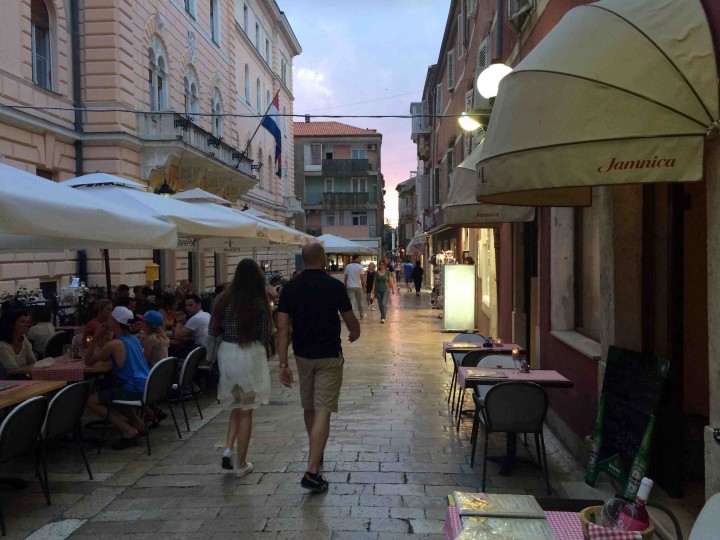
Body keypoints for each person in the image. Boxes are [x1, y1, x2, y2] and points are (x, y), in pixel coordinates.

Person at [276, 242, 360, 492]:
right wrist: (355, 331)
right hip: (329, 355)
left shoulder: (290, 288)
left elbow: (282, 328)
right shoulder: (334, 286)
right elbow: (348, 317)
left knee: (309, 406)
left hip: (302, 356)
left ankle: (316, 450)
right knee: (323, 409)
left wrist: (283, 363)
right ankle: (312, 471)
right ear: (322, 258)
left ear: (302, 260)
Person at [209, 259, 272, 478]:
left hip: (228, 353)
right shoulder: (259, 302)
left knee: (237, 405)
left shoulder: (222, 299)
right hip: (250, 354)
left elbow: (212, 329)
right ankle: (242, 463)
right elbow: (265, 335)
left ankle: (228, 449)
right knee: (246, 410)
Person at [84, 307, 149, 450]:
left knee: (90, 401)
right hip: (146, 385)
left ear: (115, 322)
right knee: (115, 396)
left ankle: (128, 430)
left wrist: (95, 337)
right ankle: (138, 424)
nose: (107, 320)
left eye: (110, 318)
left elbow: (88, 361)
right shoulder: (134, 339)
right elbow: (106, 353)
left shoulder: (115, 344)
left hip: (132, 388)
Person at [136, 309, 169, 427]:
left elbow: (143, 361)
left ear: (149, 325)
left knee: (132, 385)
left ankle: (151, 415)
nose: (141, 324)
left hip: (153, 379)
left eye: (143, 322)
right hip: (162, 377)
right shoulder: (161, 338)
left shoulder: (151, 339)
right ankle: (157, 411)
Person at [0, 308, 37, 374]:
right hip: (9, 382)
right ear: (11, 324)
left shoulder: (23, 339)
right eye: (22, 322)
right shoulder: (2, 346)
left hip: (24, 378)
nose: (27, 325)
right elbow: (14, 371)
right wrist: (38, 367)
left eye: (27, 322)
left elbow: (32, 361)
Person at [344, 254, 366, 320]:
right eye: (359, 258)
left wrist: (346, 285)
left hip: (350, 286)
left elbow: (346, 277)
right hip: (358, 286)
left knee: (351, 302)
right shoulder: (360, 267)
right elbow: (362, 278)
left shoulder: (348, 266)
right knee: (360, 302)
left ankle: (351, 316)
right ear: (356, 259)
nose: (360, 259)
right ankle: (361, 315)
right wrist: (364, 286)